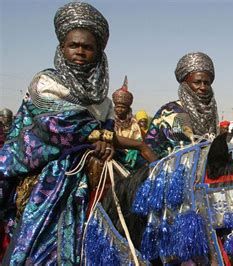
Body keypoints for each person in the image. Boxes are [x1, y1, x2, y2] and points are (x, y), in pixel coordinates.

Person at [0, 3, 155, 264]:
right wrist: (136, 145)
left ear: (98, 53)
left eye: (88, 47)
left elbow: (99, 133)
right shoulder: (46, 85)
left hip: (94, 172)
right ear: (62, 47)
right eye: (74, 45)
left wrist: (106, 146)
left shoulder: (102, 101)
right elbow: (62, 130)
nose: (80, 51)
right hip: (49, 174)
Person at [145, 52, 218, 158]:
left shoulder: (211, 113)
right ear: (185, 85)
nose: (203, 87)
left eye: (206, 83)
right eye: (197, 82)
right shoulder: (171, 112)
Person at [112, 76, 143, 168]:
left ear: (128, 109)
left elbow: (138, 140)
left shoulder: (133, 124)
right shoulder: (110, 121)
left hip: (130, 154)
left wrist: (134, 151)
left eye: (123, 107)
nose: (120, 109)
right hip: (114, 151)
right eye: (118, 106)